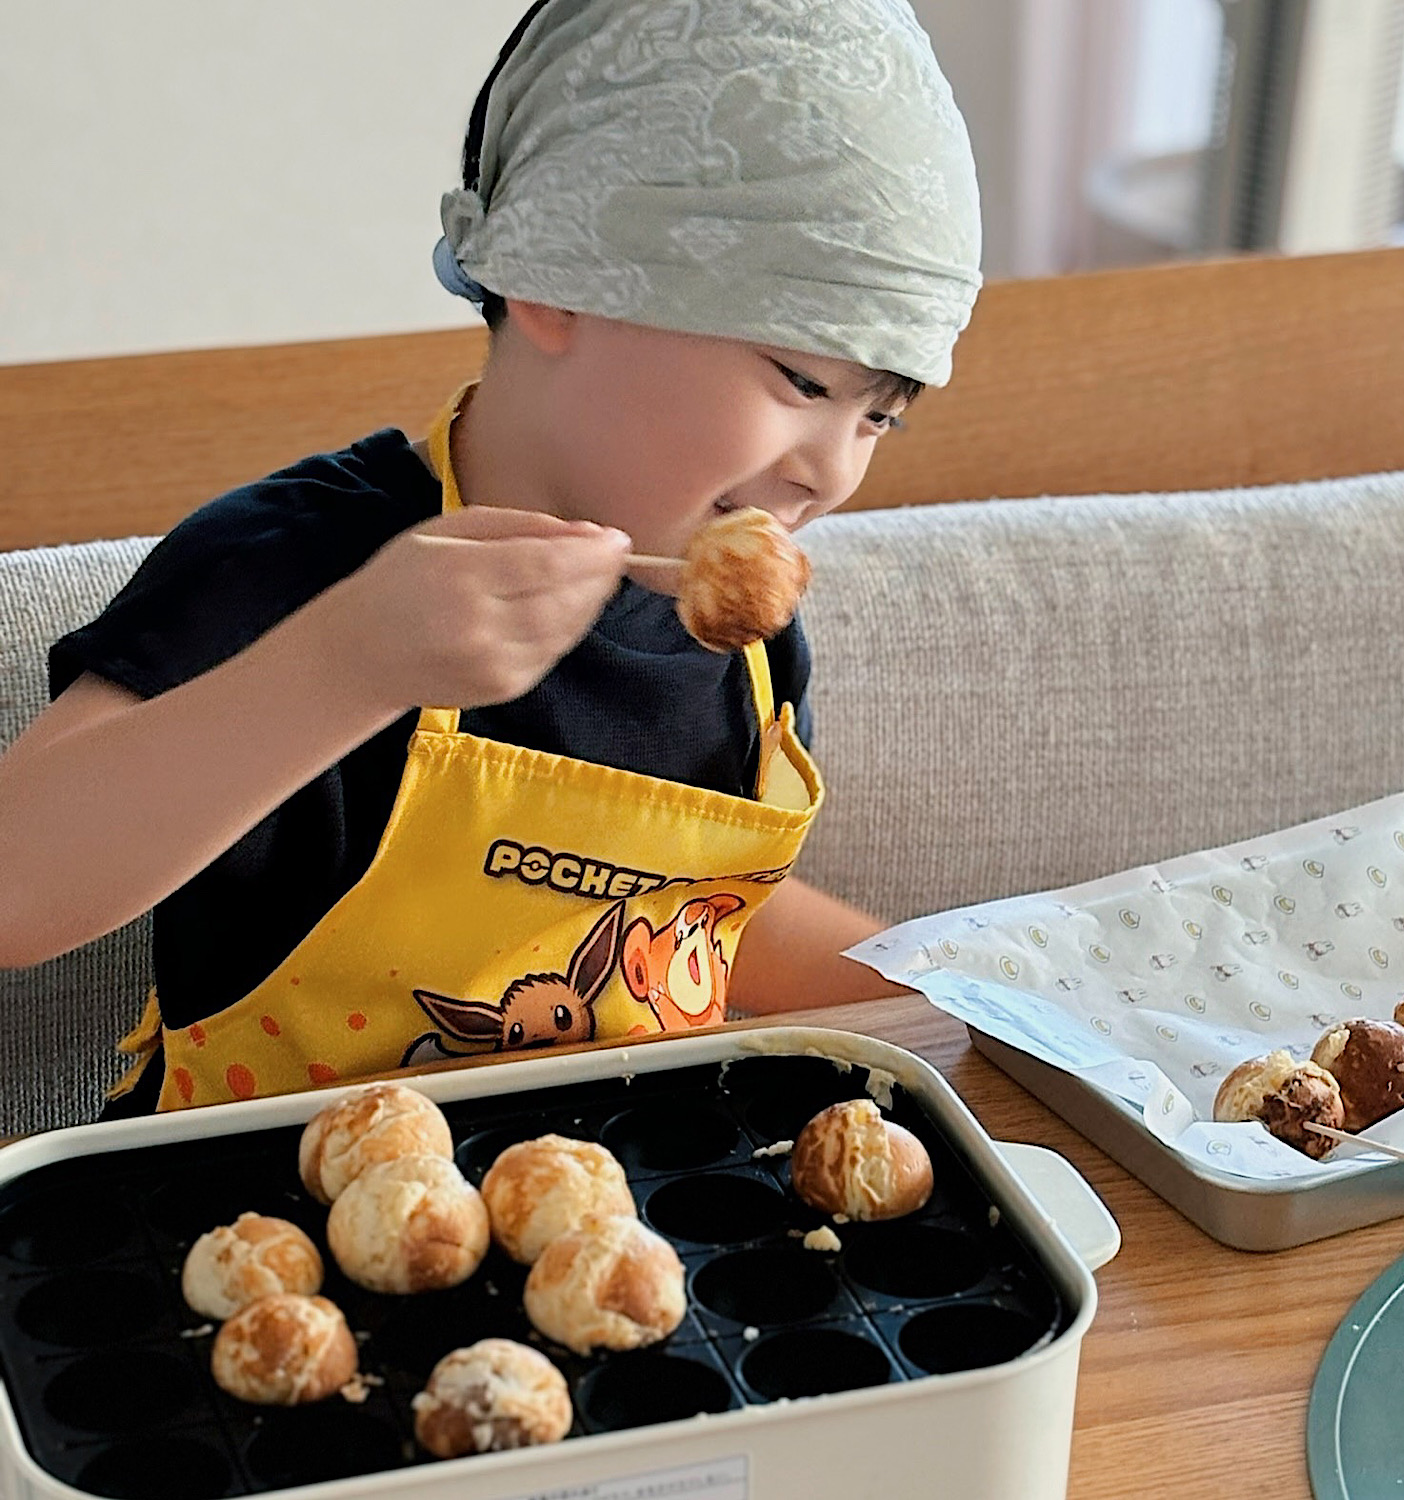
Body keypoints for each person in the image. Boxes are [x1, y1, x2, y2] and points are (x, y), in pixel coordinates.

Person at [0, 0, 982, 1114]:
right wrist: (351, 662)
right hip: (264, 1231)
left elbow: (681, 916)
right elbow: (16, 888)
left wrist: (965, 992)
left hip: (614, 1228)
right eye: (804, 382)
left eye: (879, 415)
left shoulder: (741, 647)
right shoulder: (294, 565)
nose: (833, 472)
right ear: (560, 276)